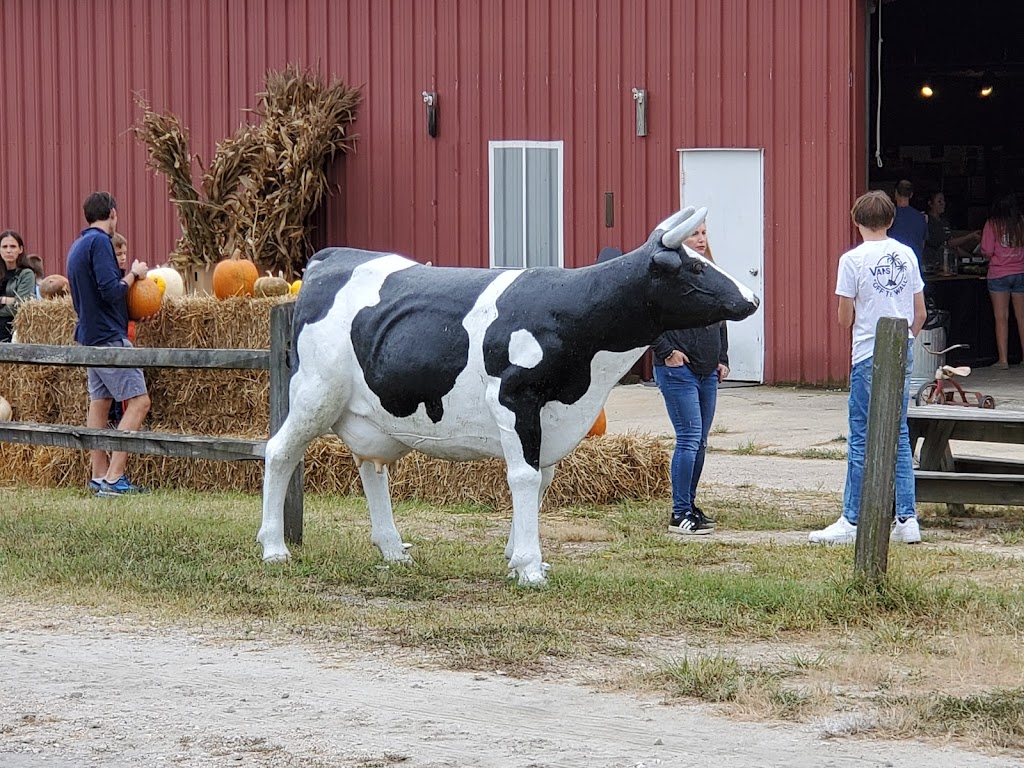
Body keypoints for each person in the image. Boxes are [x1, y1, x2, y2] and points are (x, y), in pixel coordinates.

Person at [810, 190, 926, 545]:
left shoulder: (852, 260)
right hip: (901, 349)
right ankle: (906, 518)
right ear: (891, 220)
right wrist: (906, 338)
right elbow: (920, 313)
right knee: (899, 433)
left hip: (867, 352)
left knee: (861, 435)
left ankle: (853, 518)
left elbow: (845, 318)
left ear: (855, 221)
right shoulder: (906, 255)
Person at [66, 192, 152, 496]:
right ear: (112, 213)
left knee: (100, 403)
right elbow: (110, 290)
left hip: (88, 335)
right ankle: (115, 479)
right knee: (140, 402)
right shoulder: (101, 242)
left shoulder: (77, 245)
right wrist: (134, 275)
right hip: (108, 337)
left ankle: (98, 474)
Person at [651, 222, 727, 536]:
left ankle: (690, 506)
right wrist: (667, 351)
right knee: (688, 437)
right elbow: (646, 318)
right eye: (694, 233)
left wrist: (722, 358)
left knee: (701, 441)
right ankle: (679, 513)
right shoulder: (666, 276)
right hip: (677, 370)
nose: (700, 239)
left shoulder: (710, 273)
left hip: (708, 370)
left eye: (704, 233)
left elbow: (721, 316)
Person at [980, 194, 1024, 370]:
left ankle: (1003, 360)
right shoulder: (1021, 222)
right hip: (1020, 272)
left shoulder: (992, 224)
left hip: (999, 274)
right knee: (1022, 317)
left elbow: (986, 250)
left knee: (1001, 318)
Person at [923, 191, 980, 275]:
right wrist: (970, 237)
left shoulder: (944, 222)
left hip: (948, 266)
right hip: (933, 267)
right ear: (930, 203)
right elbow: (947, 244)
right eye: (939, 201)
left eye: (943, 200)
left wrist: (972, 258)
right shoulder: (928, 222)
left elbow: (954, 247)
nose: (943, 203)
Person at [0, 229, 37, 342]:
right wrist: (10, 300)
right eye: (4, 247)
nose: (8, 251)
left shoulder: (26, 274)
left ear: (20, 249)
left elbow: (21, 305)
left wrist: (1, 299)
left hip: (13, 332)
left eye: (13, 246)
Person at [886, 180, 928, 261]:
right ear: (911, 195)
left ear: (896, 193)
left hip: (894, 263)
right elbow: (922, 244)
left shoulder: (889, 216)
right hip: (914, 263)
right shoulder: (921, 217)